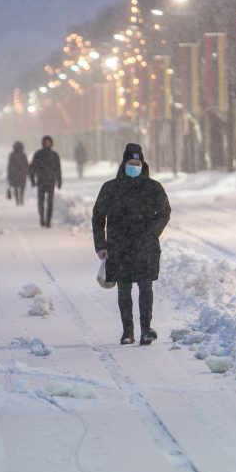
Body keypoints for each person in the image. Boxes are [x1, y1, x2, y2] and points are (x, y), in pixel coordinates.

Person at [92, 143, 171, 345]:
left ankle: (146, 329)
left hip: (145, 246)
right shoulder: (110, 188)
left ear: (143, 164)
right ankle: (127, 331)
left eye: (137, 163)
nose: (134, 166)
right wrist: (101, 244)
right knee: (123, 289)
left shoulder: (153, 188)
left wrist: (152, 232)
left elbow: (164, 212)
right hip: (119, 246)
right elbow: (98, 217)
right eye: (131, 163)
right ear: (124, 164)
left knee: (146, 288)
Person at [29, 135, 62, 227]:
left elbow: (58, 169)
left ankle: (48, 221)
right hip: (41, 181)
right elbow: (32, 168)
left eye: (49, 142)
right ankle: (42, 217)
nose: (47, 143)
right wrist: (32, 179)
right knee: (41, 202)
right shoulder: (38, 154)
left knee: (50, 202)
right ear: (43, 143)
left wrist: (59, 180)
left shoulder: (54, 155)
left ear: (51, 143)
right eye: (46, 142)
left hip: (51, 181)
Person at [7, 141, 29, 206]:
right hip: (22, 174)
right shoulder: (23, 154)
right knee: (22, 187)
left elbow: (10, 165)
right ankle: (21, 199)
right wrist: (27, 171)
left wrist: (10, 174)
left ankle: (17, 200)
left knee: (16, 187)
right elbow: (26, 164)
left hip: (15, 174)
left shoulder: (12, 155)